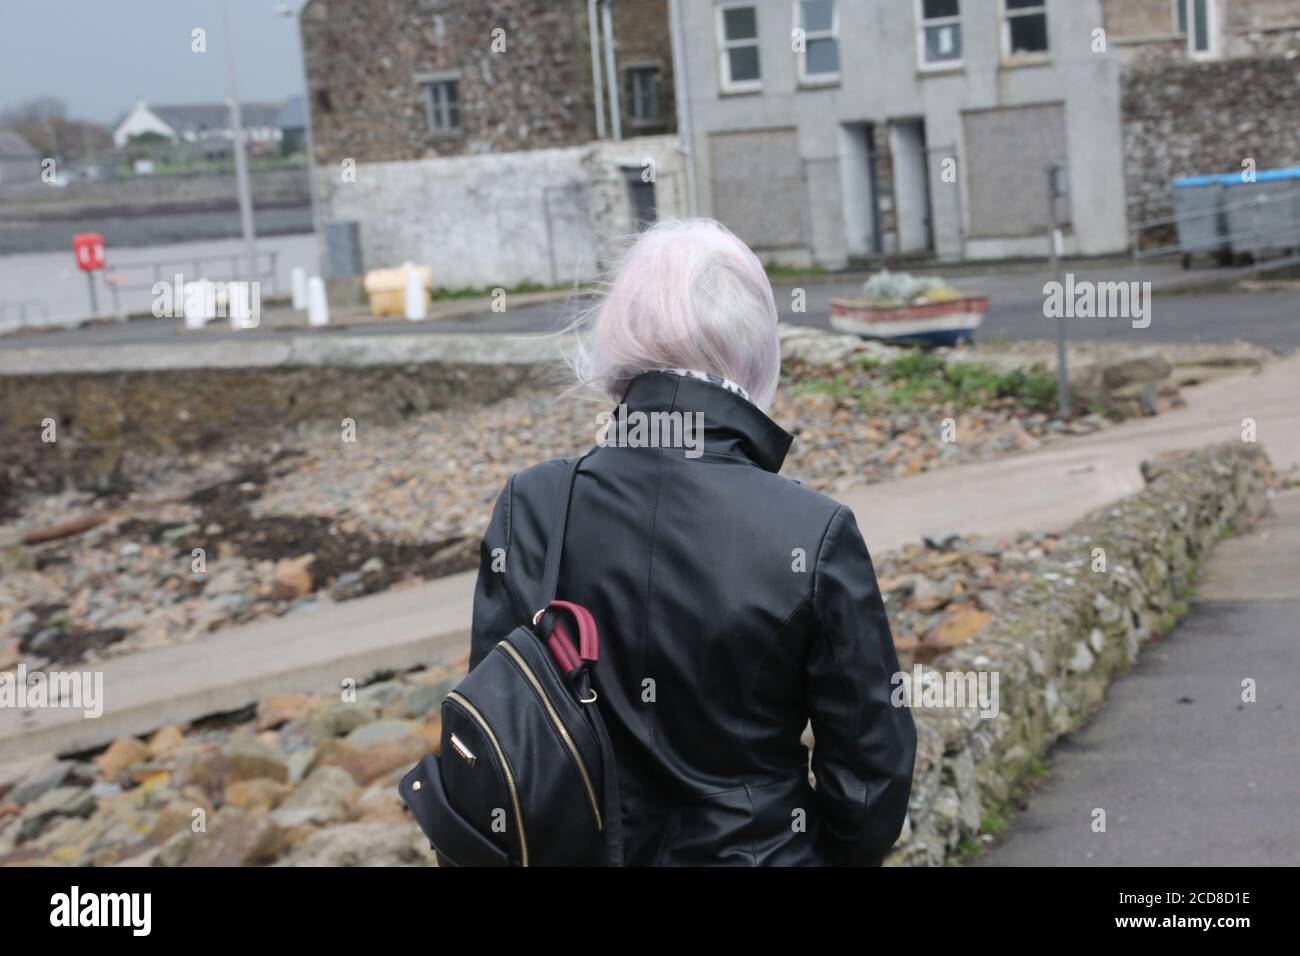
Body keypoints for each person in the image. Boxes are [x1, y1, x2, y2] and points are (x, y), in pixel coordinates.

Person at [470, 218, 916, 866]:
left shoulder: (532, 508)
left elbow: (495, 739)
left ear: (620, 336)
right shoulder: (814, 532)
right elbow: (872, 779)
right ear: (756, 344)